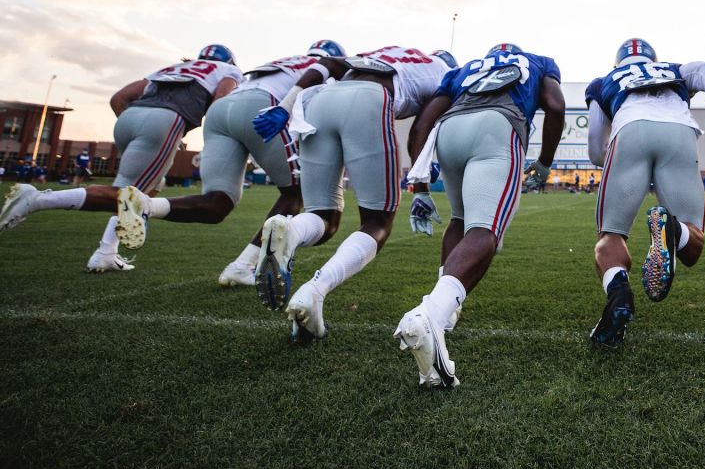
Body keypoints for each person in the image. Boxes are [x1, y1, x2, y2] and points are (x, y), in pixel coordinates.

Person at [247, 45, 452, 344]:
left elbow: (328, 63)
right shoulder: (442, 70)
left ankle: (290, 229)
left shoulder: (390, 53)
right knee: (377, 222)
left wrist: (286, 105)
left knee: (323, 215)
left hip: (319, 100)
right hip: (368, 100)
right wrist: (421, 169)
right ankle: (315, 291)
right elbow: (422, 125)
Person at [105, 41, 351, 288]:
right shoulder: (325, 68)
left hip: (221, 110)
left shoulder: (284, 60)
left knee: (217, 203)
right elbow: (323, 107)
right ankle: (243, 266)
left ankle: (146, 205)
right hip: (263, 105)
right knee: (296, 192)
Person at [396, 42, 564, 386]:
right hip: (497, 128)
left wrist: (421, 186)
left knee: (461, 221)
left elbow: (422, 124)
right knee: (485, 233)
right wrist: (545, 161)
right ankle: (431, 313)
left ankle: (444, 315)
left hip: (450, 131)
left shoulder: (463, 70)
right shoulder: (539, 61)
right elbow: (556, 105)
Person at [1, 46, 243, 273]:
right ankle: (37, 200)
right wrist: (211, 139)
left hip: (129, 119)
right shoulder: (228, 70)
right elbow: (220, 103)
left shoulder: (171, 68)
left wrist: (142, 126)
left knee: (145, 188)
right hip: (166, 120)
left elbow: (118, 98)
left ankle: (106, 251)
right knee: (129, 194)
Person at [570, 38, 705, 347]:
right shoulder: (671, 69)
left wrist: (608, 162)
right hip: (679, 133)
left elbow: (595, 140)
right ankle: (674, 231)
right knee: (692, 246)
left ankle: (618, 293)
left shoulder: (603, 82)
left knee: (610, 236)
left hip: (630, 129)